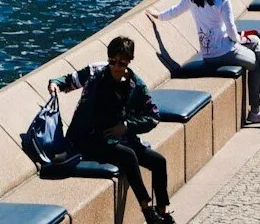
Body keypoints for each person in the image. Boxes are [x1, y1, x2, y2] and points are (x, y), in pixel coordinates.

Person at [52, 35, 172, 224]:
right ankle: (147, 210)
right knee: (128, 156)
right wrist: (55, 84)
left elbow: (153, 116)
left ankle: (162, 212)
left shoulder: (136, 85)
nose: (116, 67)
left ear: (129, 62)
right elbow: (68, 80)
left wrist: (126, 127)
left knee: (159, 161)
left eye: (122, 63)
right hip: (90, 139)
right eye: (112, 61)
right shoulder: (96, 73)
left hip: (121, 137)